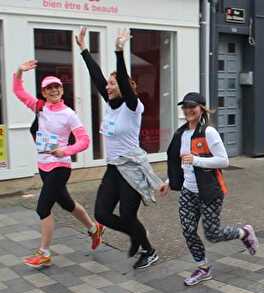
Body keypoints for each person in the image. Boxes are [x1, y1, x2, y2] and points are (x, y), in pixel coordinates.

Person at [76, 27, 167, 269]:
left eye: (112, 84)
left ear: (123, 86)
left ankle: (148, 250)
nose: (107, 86)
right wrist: (84, 50)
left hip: (132, 168)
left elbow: (126, 87)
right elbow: (96, 77)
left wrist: (119, 51)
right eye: (108, 84)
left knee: (127, 216)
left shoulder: (132, 107)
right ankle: (137, 234)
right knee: (102, 214)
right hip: (113, 168)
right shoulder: (111, 105)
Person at [13, 60, 104, 268]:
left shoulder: (69, 114)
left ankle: (44, 253)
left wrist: (66, 150)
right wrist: (19, 71)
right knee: (67, 203)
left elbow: (84, 140)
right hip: (43, 165)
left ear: (62, 90)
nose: (53, 90)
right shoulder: (39, 107)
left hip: (60, 166)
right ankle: (93, 229)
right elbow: (18, 91)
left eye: (57, 87)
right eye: (49, 88)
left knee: (43, 208)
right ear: (43, 92)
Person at [164, 92, 258, 286]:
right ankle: (203, 268)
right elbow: (181, 162)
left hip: (209, 191)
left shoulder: (208, 132)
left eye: (192, 107)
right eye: (185, 107)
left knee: (212, 234)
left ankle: (244, 233)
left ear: (202, 109)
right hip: (188, 191)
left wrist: (196, 159)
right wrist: (168, 180)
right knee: (188, 230)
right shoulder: (181, 133)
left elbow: (224, 161)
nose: (188, 110)